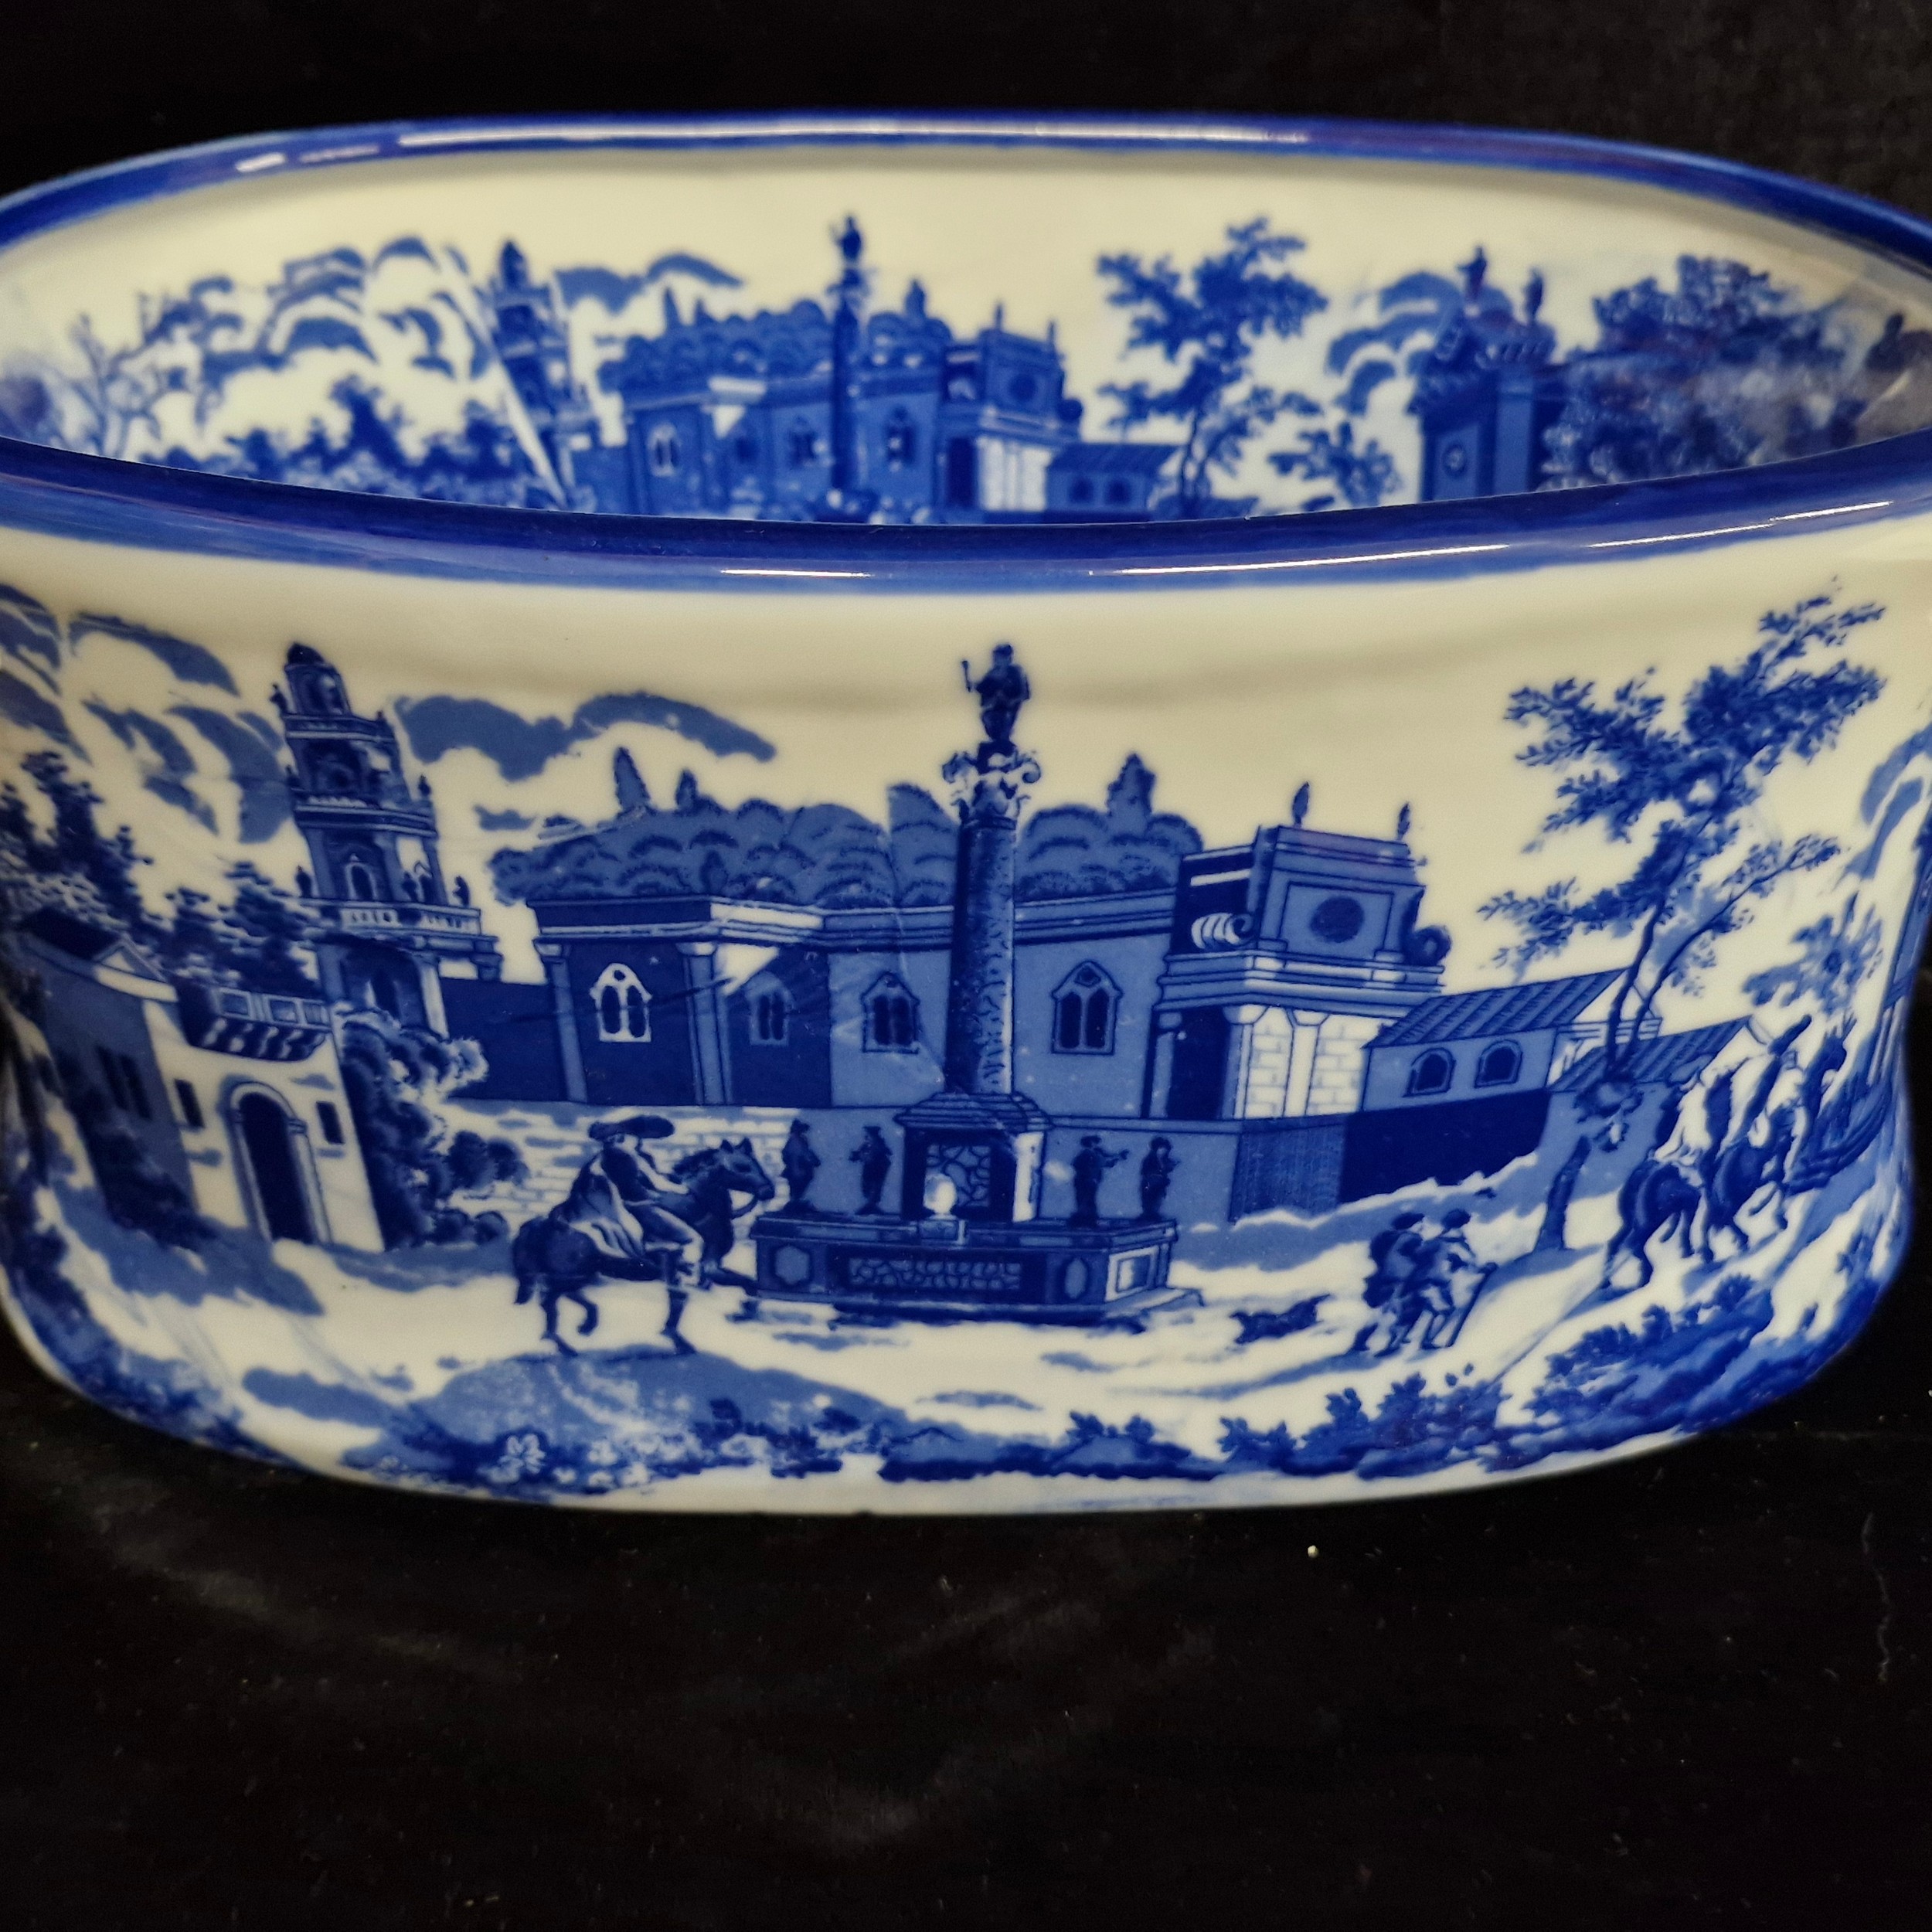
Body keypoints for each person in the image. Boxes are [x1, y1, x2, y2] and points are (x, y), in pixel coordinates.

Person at [555, 1114, 701, 1281]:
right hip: (637, 1207)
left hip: (625, 1207)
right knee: (691, 1238)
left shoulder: (606, 1159)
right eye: (635, 1137)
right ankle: (684, 1273)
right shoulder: (623, 1157)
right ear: (621, 1138)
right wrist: (684, 1189)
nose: (638, 1141)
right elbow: (653, 1184)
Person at [1360, 1211, 1429, 1353]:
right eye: (1420, 1223)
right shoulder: (1412, 1238)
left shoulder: (1387, 1237)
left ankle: (1361, 1340)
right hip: (1402, 1279)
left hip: (1384, 1277)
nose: (1423, 1226)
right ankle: (1394, 1343)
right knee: (1406, 1310)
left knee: (1382, 1311)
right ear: (1413, 1225)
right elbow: (1420, 1258)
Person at [965, 643, 1030, 751]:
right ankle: (998, 742)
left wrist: (1009, 700)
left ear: (1008, 658)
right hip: (995, 710)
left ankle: (1003, 741)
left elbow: (1024, 694)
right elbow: (975, 687)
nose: (996, 660)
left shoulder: (1016, 672)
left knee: (1003, 718)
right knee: (988, 716)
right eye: (996, 657)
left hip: (1009, 710)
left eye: (1000, 657)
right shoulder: (993, 674)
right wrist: (966, 673)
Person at [1070, 1134, 1129, 1226]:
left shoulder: (1089, 1154)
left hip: (1087, 1181)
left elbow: (1106, 1163)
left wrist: (1116, 1158)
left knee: (1085, 1200)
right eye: (1095, 1142)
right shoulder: (1089, 1154)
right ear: (1091, 1143)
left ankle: (1086, 1219)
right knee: (1087, 1201)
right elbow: (1105, 1163)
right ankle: (1087, 1220)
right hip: (1087, 1182)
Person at [781, 1118, 821, 1212]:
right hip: (798, 1170)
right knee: (797, 1187)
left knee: (799, 1187)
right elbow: (800, 1153)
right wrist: (810, 1160)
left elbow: (806, 1152)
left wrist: (814, 1160)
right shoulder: (795, 1141)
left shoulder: (801, 1140)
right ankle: (795, 1203)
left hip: (801, 1169)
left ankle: (796, 1202)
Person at [852, 1125, 893, 1214]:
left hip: (877, 1169)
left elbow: (883, 1153)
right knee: (867, 1185)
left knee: (874, 1185)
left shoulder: (878, 1144)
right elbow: (861, 1153)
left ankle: (871, 1204)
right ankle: (870, 1204)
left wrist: (864, 1156)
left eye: (868, 1135)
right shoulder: (867, 1145)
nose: (866, 1137)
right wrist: (857, 1156)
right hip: (869, 1168)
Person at [1138, 1138, 1178, 1221]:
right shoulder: (1151, 1159)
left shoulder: (1159, 1159)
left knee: (1154, 1202)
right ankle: (1150, 1215)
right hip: (1151, 1185)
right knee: (1151, 1202)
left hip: (1155, 1186)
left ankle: (1152, 1215)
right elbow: (1148, 1173)